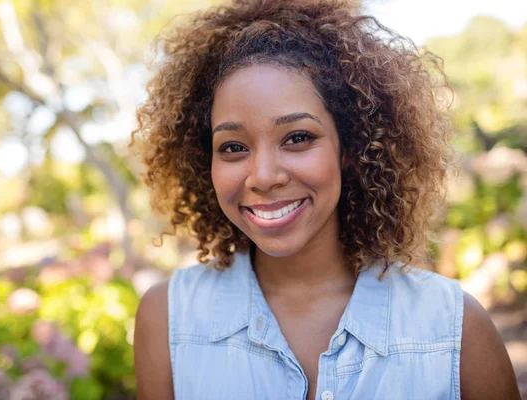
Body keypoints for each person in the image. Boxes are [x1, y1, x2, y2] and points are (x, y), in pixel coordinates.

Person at [131, 0, 521, 399]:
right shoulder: (167, 321)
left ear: (349, 148)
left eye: (298, 138)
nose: (264, 177)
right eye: (232, 147)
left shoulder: (455, 330)